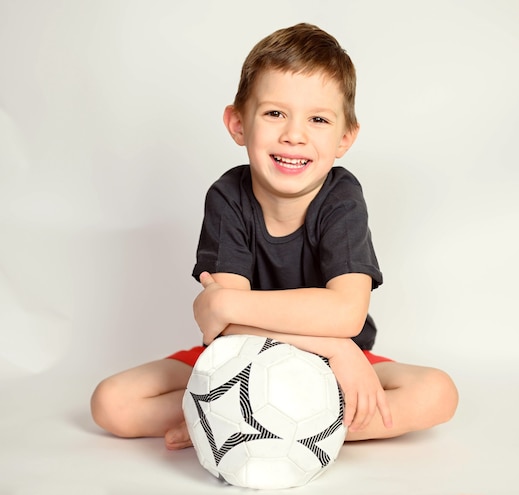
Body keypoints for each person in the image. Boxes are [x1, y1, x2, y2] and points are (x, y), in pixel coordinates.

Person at [90, 22, 458, 450]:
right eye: (274, 113)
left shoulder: (342, 197)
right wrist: (328, 342)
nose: (294, 134)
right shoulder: (228, 197)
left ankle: (233, 424)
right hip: (238, 362)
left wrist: (338, 351)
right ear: (238, 123)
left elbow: (347, 315)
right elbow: (226, 331)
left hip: (331, 367)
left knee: (438, 393)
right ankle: (282, 425)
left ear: (344, 137)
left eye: (318, 119)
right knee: (112, 402)